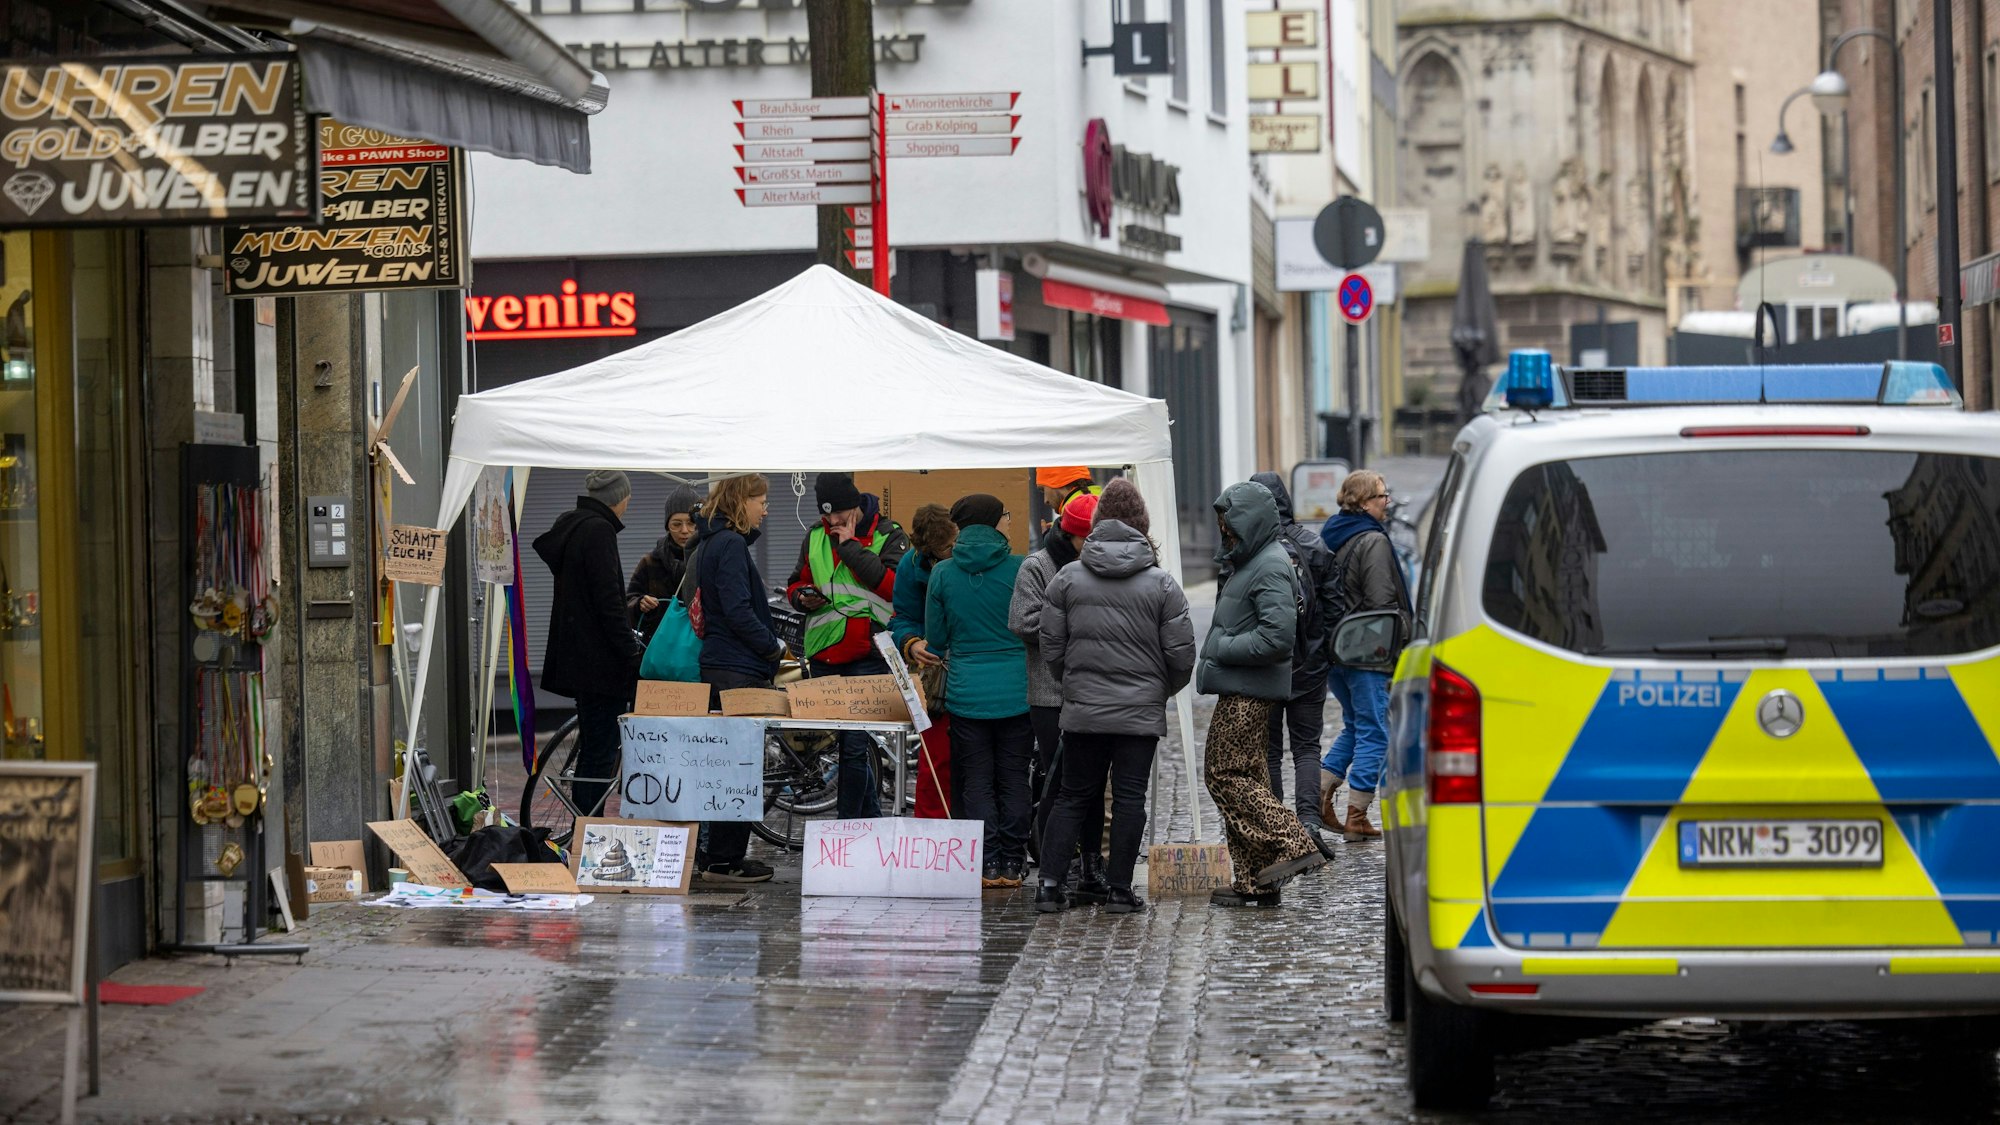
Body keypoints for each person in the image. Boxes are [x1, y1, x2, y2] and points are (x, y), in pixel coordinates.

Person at [1036, 480, 1195, 915]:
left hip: (1083, 709)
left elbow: (1051, 647)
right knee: (1129, 801)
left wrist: (1073, 686)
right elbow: (1182, 656)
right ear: (1143, 523)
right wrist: (1155, 692)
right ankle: (1120, 891)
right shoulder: (1162, 585)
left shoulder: (1067, 578)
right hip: (1138, 715)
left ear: (1095, 523)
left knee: (1072, 796)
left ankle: (1048, 886)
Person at [1199, 480, 1328, 908]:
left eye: (1230, 523)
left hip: (1248, 691)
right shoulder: (1251, 560)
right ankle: (1255, 880)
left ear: (1249, 521)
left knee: (1223, 773)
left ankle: (1292, 841)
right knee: (1249, 777)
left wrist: (1221, 648)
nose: (1225, 532)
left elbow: (1277, 637)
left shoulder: (1270, 563)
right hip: (1242, 686)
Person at [786, 473, 910, 819]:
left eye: (840, 515)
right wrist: (800, 597)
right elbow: (798, 579)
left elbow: (894, 588)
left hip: (867, 653)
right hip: (825, 651)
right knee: (850, 747)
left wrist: (851, 546)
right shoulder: (814, 534)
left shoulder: (889, 534)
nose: (834, 523)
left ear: (856, 505)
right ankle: (870, 823)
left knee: (854, 749)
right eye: (828, 517)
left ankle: (847, 829)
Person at [925, 494, 1031, 887]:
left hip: (967, 693)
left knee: (976, 781)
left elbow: (936, 642)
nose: (1008, 521)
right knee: (1015, 778)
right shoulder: (1022, 568)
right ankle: (1014, 862)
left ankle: (986, 863)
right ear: (992, 522)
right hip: (1018, 692)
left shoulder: (942, 573)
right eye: (1005, 515)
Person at [533, 470, 646, 824]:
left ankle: (585, 825)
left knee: (594, 747)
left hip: (580, 660)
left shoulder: (574, 527)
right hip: (601, 664)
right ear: (620, 498)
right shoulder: (598, 531)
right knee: (598, 752)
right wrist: (630, 650)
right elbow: (608, 601)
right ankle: (589, 831)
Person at [1010, 491, 1106, 902]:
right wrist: (1076, 628)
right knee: (1059, 784)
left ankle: (1090, 868)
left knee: (1095, 785)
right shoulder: (1038, 566)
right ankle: (1057, 867)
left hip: (1092, 692)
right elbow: (1021, 621)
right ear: (1073, 535)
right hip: (1050, 695)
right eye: (1090, 540)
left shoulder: (1098, 562)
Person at [692, 473, 784, 883]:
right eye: (760, 501)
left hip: (722, 665)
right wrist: (772, 647)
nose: (765, 509)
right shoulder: (729, 544)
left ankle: (718, 855)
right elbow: (738, 609)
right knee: (738, 768)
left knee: (725, 766)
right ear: (739, 502)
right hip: (736, 670)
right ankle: (726, 859)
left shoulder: (714, 541)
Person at [1248, 471, 1342, 854]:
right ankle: (1309, 824)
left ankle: (1276, 829)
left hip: (1264, 666)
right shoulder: (1316, 548)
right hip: (1310, 666)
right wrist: (1326, 658)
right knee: (1307, 748)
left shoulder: (1248, 551)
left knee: (1268, 751)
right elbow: (1336, 613)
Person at [1319, 469, 1412, 842]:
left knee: (1357, 725)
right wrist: (1401, 638)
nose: (1387, 502)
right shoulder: (1372, 540)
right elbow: (1380, 603)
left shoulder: (1332, 533)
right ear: (1362, 502)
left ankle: (1319, 793)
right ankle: (1357, 814)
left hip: (1337, 649)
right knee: (1377, 731)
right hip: (1367, 652)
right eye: (1381, 496)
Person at [890, 504, 958, 818]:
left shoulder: (965, 561)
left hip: (969, 668)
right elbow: (901, 617)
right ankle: (932, 832)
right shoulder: (909, 565)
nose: (953, 552)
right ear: (926, 549)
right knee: (936, 760)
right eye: (946, 549)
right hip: (934, 678)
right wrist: (912, 643)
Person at [625, 483, 703, 643]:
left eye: (691, 523)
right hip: (660, 647)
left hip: (700, 649)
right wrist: (641, 604)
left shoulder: (709, 559)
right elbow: (627, 605)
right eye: (676, 524)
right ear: (667, 526)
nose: (684, 530)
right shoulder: (650, 562)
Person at [1035, 467, 1100, 541]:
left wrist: (1053, 543)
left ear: (1056, 482)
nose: (1045, 500)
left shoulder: (1073, 528)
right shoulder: (1106, 509)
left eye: (1043, 489)